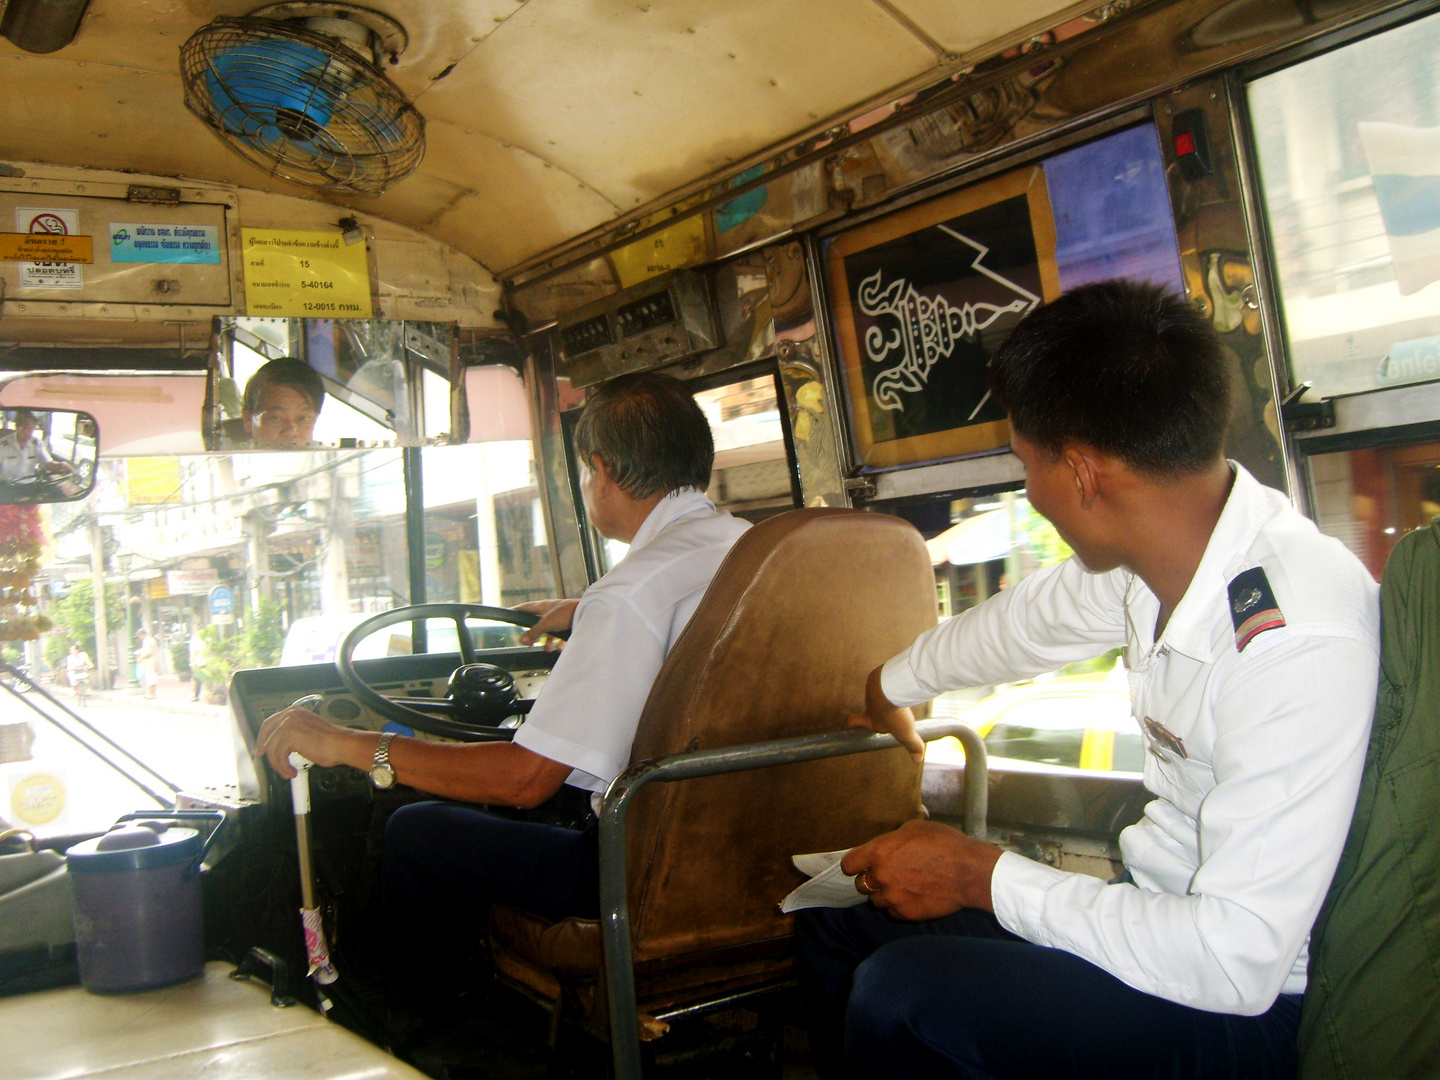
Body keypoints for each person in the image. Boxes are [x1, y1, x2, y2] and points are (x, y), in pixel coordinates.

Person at [798, 280, 1381, 1080]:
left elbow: (1233, 958)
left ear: (1081, 473)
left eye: (1025, 464)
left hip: (1253, 1008)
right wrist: (890, 683)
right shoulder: (1162, 556)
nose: (1030, 492)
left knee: (903, 994)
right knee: (844, 924)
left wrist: (981, 873)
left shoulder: (1292, 640)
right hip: (1155, 923)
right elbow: (1030, 621)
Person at [255, 372, 750, 1010]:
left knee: (416, 831)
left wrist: (349, 743)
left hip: (642, 872)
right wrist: (589, 611)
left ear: (600, 470)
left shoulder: (629, 596)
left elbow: (524, 782)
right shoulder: (742, 547)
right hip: (736, 849)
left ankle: (414, 1027)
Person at [241, 359, 324, 448]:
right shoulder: (232, 460)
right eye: (276, 418)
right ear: (248, 420)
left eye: (303, 418)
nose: (291, 432)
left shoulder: (332, 460)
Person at [0, 410, 67, 483]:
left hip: (29, 486)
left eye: (32, 428)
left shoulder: (37, 444)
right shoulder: (3, 444)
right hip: (7, 487)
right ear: (17, 426)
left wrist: (61, 465)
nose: (29, 431)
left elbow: (48, 463)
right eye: (25, 427)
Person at [135, 629, 159, 700]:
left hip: (150, 662)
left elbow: (148, 652)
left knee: (150, 678)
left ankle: (151, 694)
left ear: (142, 635)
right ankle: (150, 693)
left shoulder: (147, 641)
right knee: (151, 678)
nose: (140, 638)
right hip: (152, 661)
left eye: (139, 636)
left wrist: (140, 658)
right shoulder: (151, 640)